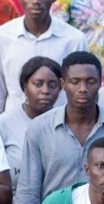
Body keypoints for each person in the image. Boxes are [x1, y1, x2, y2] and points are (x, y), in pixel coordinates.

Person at [0, 0, 88, 123]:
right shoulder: (0, 37)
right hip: (14, 130)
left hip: (60, 127)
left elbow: (80, 95)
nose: (36, 0)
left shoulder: (74, 39)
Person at [16, 51, 104, 203]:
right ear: (63, 84)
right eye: (75, 81)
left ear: (100, 82)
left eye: (90, 81)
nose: (83, 88)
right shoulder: (40, 128)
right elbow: (28, 192)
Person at [0, 56, 62, 190]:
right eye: (38, 84)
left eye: (52, 85)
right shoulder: (2, 124)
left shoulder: (65, 123)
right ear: (25, 86)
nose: (45, 91)